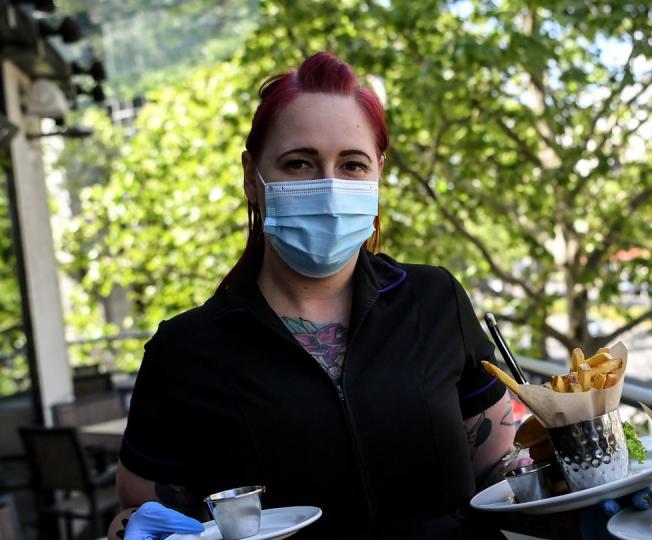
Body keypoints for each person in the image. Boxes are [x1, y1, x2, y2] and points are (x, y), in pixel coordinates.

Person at [109, 51, 517, 540]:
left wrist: (583, 473)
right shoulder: (185, 352)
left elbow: (500, 473)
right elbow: (139, 512)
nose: (328, 185)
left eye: (352, 164)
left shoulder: (435, 301)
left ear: (378, 173)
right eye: (299, 163)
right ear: (251, 177)